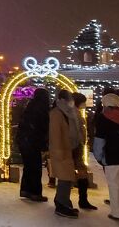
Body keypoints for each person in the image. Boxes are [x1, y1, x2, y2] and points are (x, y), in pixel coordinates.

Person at [93, 93, 119, 221]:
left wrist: (99, 157)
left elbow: (99, 140)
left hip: (112, 157)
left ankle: (118, 213)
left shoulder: (103, 118)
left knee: (114, 185)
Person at [49, 89, 81, 218]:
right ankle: (62, 205)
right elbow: (55, 134)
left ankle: (64, 202)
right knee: (65, 179)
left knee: (66, 178)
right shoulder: (56, 114)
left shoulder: (66, 113)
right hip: (61, 150)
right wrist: (58, 151)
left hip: (68, 149)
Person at [16, 88, 50, 201]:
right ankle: (35, 192)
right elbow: (42, 128)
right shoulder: (41, 109)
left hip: (24, 141)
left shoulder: (29, 107)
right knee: (35, 168)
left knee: (28, 166)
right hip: (33, 142)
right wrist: (44, 144)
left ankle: (25, 190)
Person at [71, 92, 96, 210]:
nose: (85, 105)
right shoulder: (74, 114)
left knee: (81, 173)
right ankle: (82, 200)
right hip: (76, 147)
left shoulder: (73, 112)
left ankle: (82, 200)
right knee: (81, 173)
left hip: (76, 147)